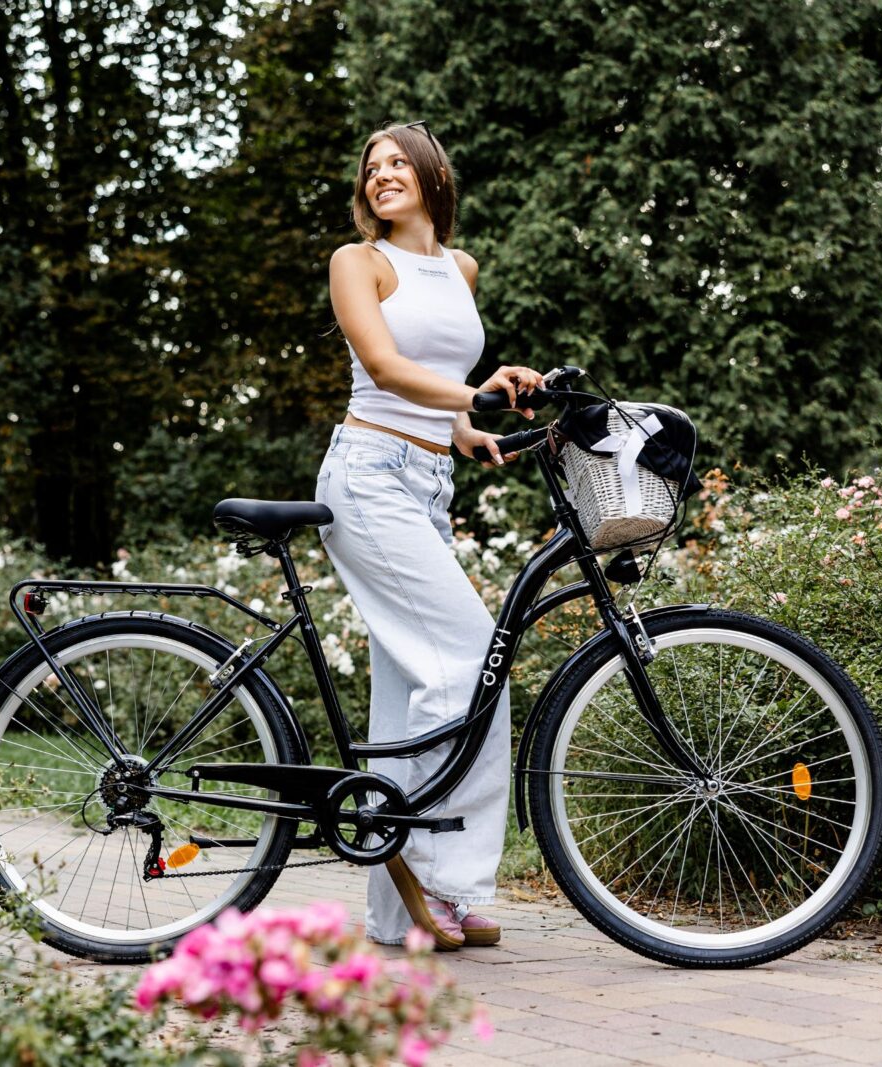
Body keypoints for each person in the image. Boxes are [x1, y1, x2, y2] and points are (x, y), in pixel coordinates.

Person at [314, 120, 542, 950]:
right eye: (371, 168)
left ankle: (393, 904)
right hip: (367, 476)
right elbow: (382, 369)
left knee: (412, 689)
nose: (382, 176)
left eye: (396, 163)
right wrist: (472, 396)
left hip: (426, 481)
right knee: (470, 661)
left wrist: (466, 428)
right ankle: (440, 873)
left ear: (431, 176)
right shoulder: (358, 262)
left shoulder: (460, 268)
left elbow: (439, 384)